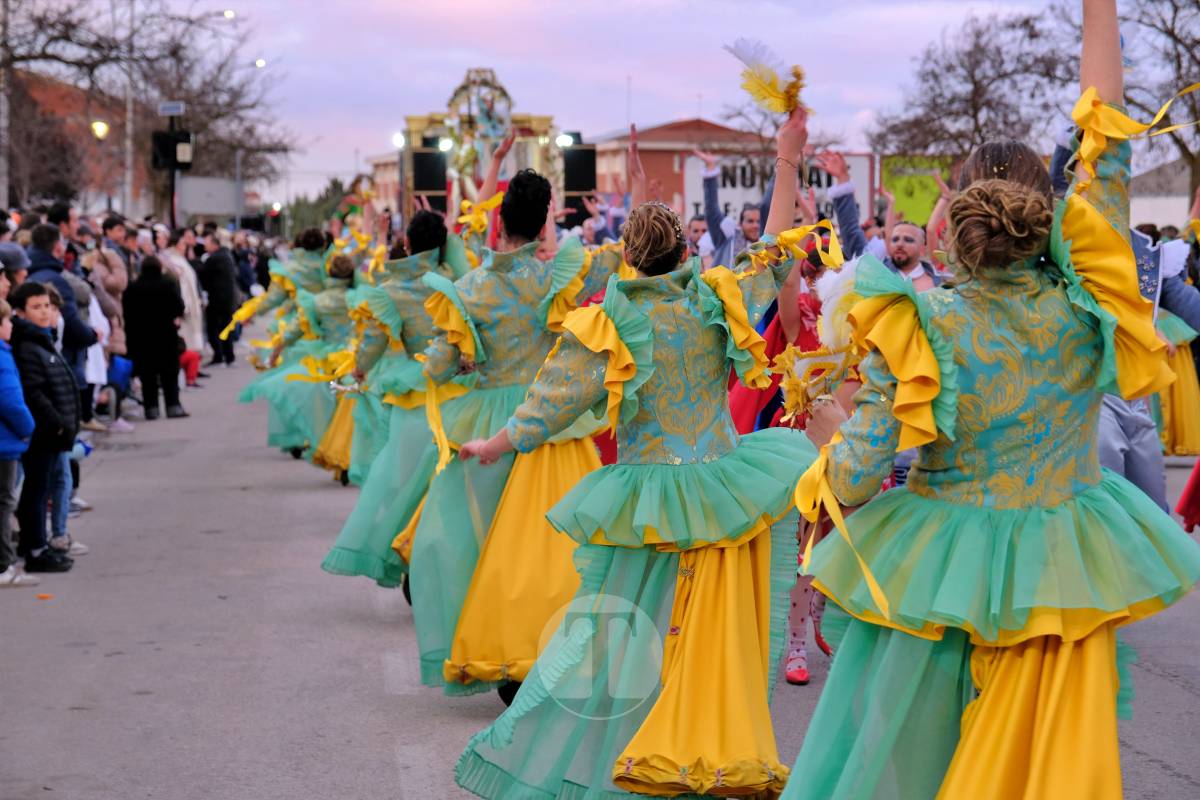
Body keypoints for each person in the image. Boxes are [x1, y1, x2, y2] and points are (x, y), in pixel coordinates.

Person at [782, 3, 1200, 797]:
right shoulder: (1088, 305)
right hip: (1061, 577)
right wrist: (1099, 11)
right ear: (1049, 214)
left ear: (956, 218)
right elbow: (1107, 141)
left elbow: (855, 478)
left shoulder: (919, 322)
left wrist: (829, 435)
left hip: (942, 577)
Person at [455, 109, 814, 798]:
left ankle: (643, 749)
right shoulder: (715, 299)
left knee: (627, 635)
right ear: (683, 252)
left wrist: (492, 444)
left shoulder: (612, 322)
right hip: (722, 490)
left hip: (650, 499)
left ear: (629, 257)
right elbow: (775, 249)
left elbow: (548, 403)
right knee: (712, 639)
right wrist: (787, 158)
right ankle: (705, 750)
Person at [408, 163, 618, 699]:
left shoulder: (469, 289)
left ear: (499, 222)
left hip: (488, 421)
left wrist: (460, 361)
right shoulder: (558, 276)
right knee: (549, 548)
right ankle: (555, 651)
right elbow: (618, 260)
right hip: (552, 421)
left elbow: (439, 367)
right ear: (546, 221)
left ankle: (502, 651)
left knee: (479, 543)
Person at [322, 210, 471, 586]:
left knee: (406, 485)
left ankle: (409, 551)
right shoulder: (457, 281)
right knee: (452, 485)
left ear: (406, 244)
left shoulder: (390, 290)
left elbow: (374, 341)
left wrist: (359, 369)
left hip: (415, 397)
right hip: (462, 394)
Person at [10, 282, 80, 574]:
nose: (44, 312)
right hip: (43, 431)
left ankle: (35, 543)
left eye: (47, 306)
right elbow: (34, 391)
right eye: (36, 307)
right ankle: (36, 548)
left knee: (40, 488)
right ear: (21, 312)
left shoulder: (41, 339)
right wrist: (57, 422)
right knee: (36, 491)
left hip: (51, 430)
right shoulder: (27, 345)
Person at [0, 298, 37, 587]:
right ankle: (4, 565)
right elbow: (10, 400)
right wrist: (28, 428)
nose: (11, 325)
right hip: (4, 442)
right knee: (4, 502)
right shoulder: (2, 357)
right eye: (6, 321)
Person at [123, 255, 188, 420]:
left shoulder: (133, 288)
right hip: (166, 335)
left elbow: (127, 314)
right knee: (169, 373)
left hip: (142, 337)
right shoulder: (167, 284)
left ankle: (151, 408)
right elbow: (179, 307)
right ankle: (173, 406)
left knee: (148, 374)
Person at [160, 229, 206, 386]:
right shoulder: (172, 260)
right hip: (185, 307)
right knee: (186, 340)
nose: (184, 246)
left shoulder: (181, 260)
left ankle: (193, 370)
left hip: (191, 306)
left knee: (192, 339)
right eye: (182, 243)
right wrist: (182, 307)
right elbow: (182, 286)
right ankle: (187, 373)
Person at [199, 230, 239, 366]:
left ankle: (221, 355)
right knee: (225, 328)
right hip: (227, 300)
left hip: (218, 300)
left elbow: (204, 276)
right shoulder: (226, 255)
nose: (204, 245)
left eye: (206, 243)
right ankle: (227, 356)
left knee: (215, 329)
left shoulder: (215, 258)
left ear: (214, 244)